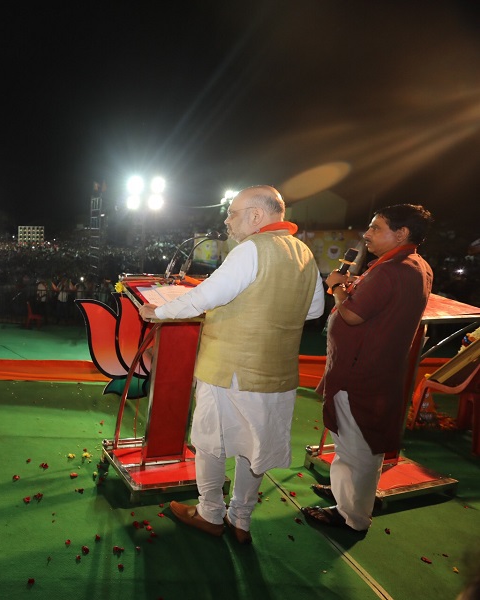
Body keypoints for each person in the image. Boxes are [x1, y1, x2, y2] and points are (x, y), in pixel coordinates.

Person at [138, 185, 324, 544]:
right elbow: (315, 309)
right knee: (253, 447)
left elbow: (206, 297)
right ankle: (241, 519)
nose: (227, 219)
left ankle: (209, 513)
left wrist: (157, 311)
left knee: (211, 441)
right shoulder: (303, 251)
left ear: (256, 216)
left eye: (233, 212)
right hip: (278, 375)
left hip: (230, 370)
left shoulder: (251, 249)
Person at [303, 204, 433, 533]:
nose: (367, 234)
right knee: (359, 442)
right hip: (376, 368)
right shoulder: (416, 265)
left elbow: (353, 315)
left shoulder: (392, 270)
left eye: (376, 228)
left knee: (356, 445)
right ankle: (349, 495)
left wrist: (336, 288)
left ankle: (352, 516)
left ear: (401, 233)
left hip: (361, 372)